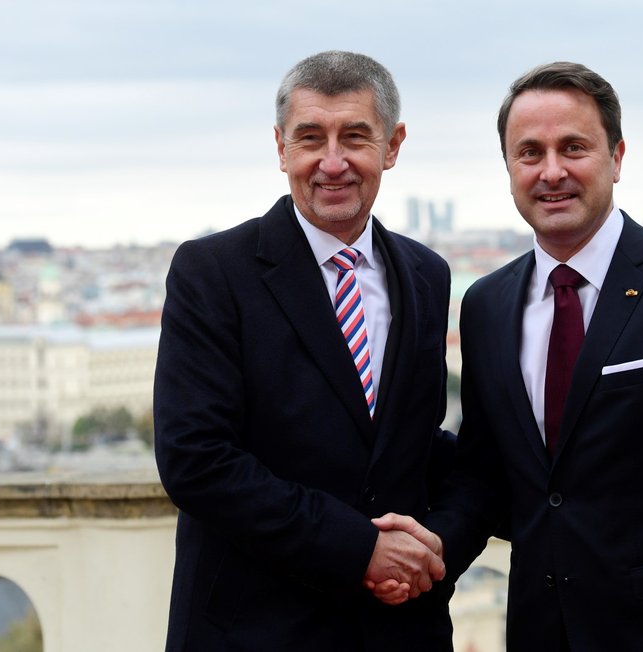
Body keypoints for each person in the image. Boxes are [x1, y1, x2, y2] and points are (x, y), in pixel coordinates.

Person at [374, 61, 643, 651]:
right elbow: (487, 473)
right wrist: (436, 546)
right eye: (529, 152)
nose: (552, 172)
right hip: (542, 633)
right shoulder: (487, 305)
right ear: (508, 168)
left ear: (617, 157)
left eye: (574, 147)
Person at [153, 50, 455, 651]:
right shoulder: (212, 272)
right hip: (256, 629)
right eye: (311, 137)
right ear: (281, 146)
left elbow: (412, 443)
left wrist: (434, 548)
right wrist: (360, 548)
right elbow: (196, 460)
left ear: (392, 147)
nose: (333, 162)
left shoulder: (427, 274)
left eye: (356, 137)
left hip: (397, 629)